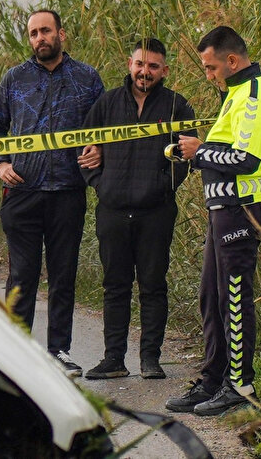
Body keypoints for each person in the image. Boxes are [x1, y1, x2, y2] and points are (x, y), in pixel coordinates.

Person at [0, 9, 104, 376]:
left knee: (63, 275)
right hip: (23, 191)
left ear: (61, 34)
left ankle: (59, 351)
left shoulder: (87, 78)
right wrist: (0, 164)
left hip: (68, 191)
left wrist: (98, 150)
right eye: (34, 33)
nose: (40, 38)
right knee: (22, 276)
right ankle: (16, 354)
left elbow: (103, 128)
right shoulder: (14, 78)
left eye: (46, 31)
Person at [167, 26, 261, 416]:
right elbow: (227, 150)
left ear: (232, 60)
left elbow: (246, 161)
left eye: (211, 67)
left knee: (233, 296)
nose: (208, 75)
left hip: (243, 207)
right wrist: (193, 152)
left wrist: (199, 153)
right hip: (223, 210)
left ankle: (241, 386)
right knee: (211, 297)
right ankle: (214, 379)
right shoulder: (235, 93)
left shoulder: (255, 96)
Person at [80, 38, 196, 380]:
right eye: (140, 64)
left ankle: (150, 359)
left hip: (155, 212)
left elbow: (186, 156)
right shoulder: (107, 103)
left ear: (164, 70)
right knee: (115, 286)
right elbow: (84, 150)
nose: (145, 72)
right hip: (112, 210)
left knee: (153, 286)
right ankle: (114, 359)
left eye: (153, 66)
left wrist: (162, 186)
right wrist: (101, 183)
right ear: (130, 64)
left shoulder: (177, 106)